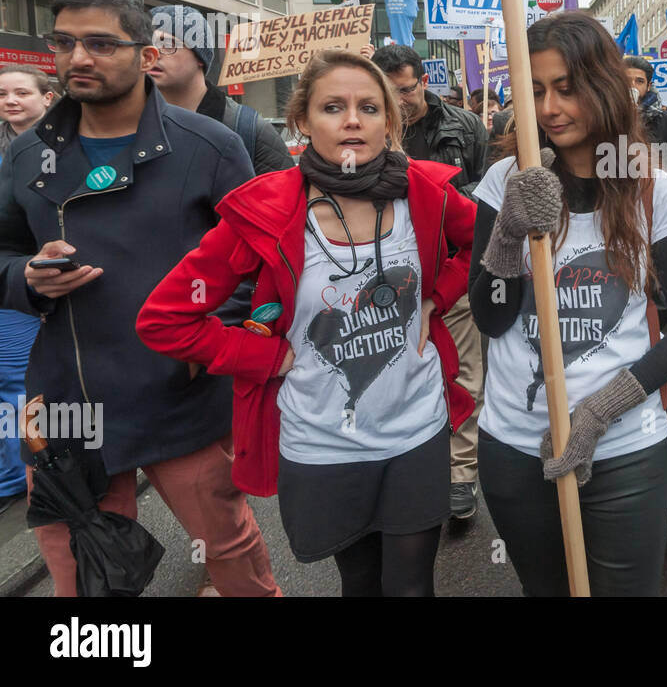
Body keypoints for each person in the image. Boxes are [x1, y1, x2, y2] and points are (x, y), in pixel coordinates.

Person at [137, 49, 477, 596]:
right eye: (333, 107)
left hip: (418, 428)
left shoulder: (426, 192)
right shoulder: (267, 211)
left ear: (389, 122)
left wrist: (438, 295)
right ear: (302, 121)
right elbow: (165, 319)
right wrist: (265, 356)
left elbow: (481, 243)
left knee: (413, 587)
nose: (351, 120)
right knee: (360, 583)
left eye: (369, 107)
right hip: (322, 442)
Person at [0, 0, 279, 597]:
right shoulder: (25, 155)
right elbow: (4, 253)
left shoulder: (209, 146)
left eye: (100, 43)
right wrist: (26, 277)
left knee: (230, 552)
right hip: (68, 400)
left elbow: (260, 265)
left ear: (145, 54)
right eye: (65, 42)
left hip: (183, 396)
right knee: (82, 571)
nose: (78, 58)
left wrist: (206, 342)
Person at [468, 12, 667, 596]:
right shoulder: (504, 179)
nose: (550, 108)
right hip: (516, 447)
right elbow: (492, 315)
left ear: (601, 87)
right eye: (537, 90)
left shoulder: (652, 185)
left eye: (567, 89)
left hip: (624, 450)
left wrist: (599, 413)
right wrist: (507, 236)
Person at [371, 43, 488, 520]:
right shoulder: (370, 126)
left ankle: (461, 475)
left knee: (462, 372)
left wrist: (445, 197)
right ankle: (412, 468)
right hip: (388, 284)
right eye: (389, 93)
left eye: (406, 89)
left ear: (423, 81)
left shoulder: (464, 125)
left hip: (449, 271)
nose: (400, 101)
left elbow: (489, 193)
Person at [0, 65, 56, 514]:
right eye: (3, 93)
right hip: (9, 278)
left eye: (22, 92)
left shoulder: (58, 148)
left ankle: (22, 475)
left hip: (36, 285)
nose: (10, 100)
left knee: (16, 383)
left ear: (48, 98)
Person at [148, 5, 293, 175]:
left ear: (199, 57)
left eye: (167, 44)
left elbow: (282, 198)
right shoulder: (127, 123)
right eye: (147, 45)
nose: (154, 53)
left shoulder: (248, 129)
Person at [624, 55, 667, 145]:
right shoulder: (606, 117)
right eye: (626, 80)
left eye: (639, 81)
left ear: (648, 86)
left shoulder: (666, 121)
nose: (632, 85)